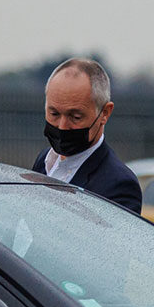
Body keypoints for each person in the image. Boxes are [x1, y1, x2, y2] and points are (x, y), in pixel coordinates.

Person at [32, 58, 142, 215]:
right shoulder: (43, 161)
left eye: (75, 117)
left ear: (104, 113)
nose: (62, 126)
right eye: (54, 114)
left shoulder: (119, 185)